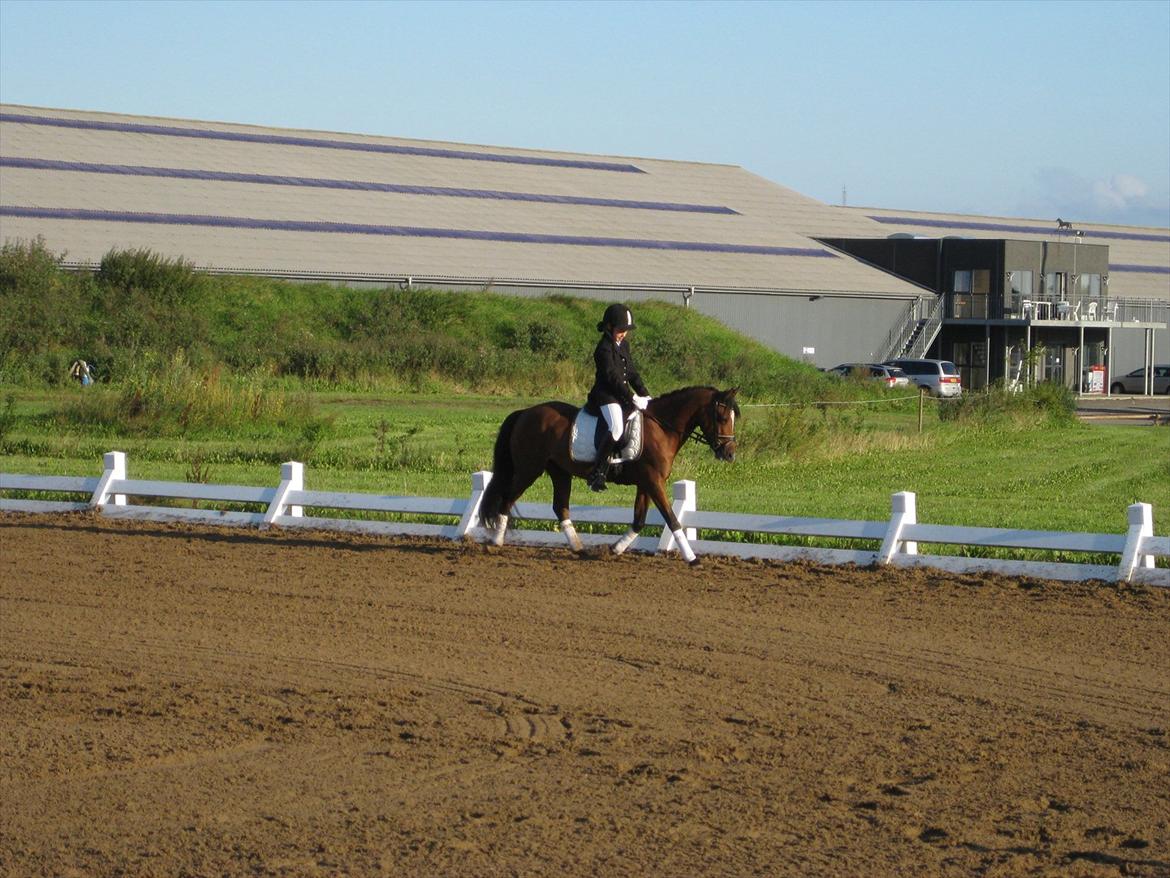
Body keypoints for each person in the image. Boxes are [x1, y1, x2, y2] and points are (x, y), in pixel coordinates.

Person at [585, 303, 651, 492]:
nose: (623, 333)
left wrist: (645, 394)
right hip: (605, 396)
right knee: (616, 428)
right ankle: (597, 472)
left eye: (626, 330)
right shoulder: (603, 349)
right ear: (609, 327)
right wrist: (632, 397)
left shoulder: (624, 345)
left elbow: (631, 373)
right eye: (621, 330)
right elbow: (612, 378)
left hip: (620, 395)